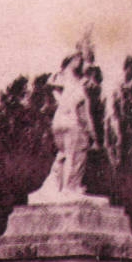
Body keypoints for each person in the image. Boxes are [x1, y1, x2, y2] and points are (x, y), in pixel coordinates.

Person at [37, 54, 95, 198]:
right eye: (78, 60)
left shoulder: (62, 80)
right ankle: (69, 188)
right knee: (74, 154)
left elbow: (54, 92)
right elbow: (85, 114)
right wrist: (92, 134)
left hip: (58, 120)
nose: (80, 62)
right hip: (71, 121)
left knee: (63, 154)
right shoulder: (80, 88)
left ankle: (55, 186)